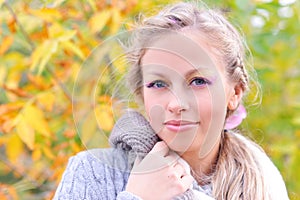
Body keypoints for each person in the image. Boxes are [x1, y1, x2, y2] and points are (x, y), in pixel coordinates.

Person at [54, 1, 289, 199]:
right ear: (141, 94)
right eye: (158, 84)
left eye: (198, 82)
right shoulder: (92, 173)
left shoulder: (264, 183)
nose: (176, 104)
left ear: (235, 93)